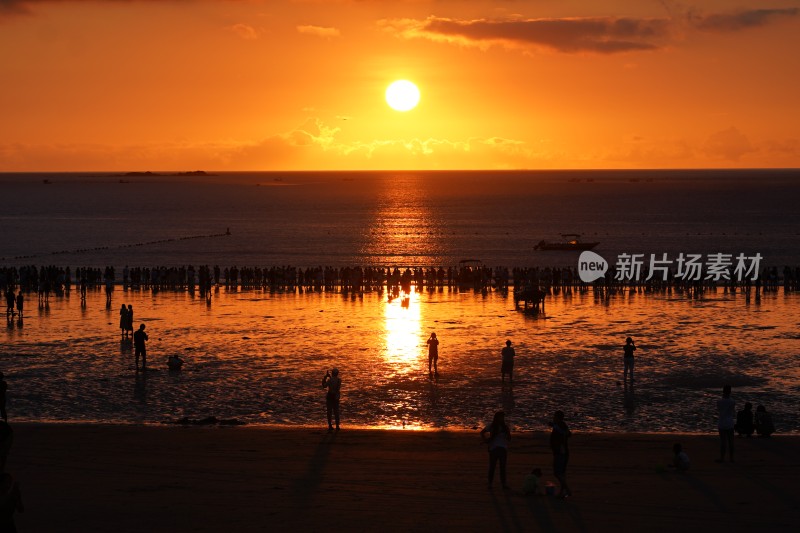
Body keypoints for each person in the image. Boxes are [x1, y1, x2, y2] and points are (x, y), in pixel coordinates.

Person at [480, 411, 511, 489]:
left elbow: (509, 438)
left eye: (503, 417)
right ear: (496, 417)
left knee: (502, 467)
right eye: (500, 416)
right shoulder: (492, 425)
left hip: (503, 448)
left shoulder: (505, 427)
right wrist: (486, 440)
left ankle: (503, 484)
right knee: (492, 466)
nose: (502, 418)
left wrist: (508, 433)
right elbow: (482, 432)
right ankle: (490, 484)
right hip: (494, 448)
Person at [550, 410, 572, 498]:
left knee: (557, 473)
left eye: (555, 417)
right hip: (561, 452)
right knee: (561, 473)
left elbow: (567, 434)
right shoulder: (560, 425)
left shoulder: (560, 425)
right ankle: (563, 492)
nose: (553, 418)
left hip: (561, 453)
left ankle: (567, 490)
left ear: (558, 418)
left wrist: (554, 426)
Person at [716, 384, 735, 463]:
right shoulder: (732, 401)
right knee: (731, 441)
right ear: (730, 392)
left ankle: (722, 458)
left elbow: (719, 409)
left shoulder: (719, 401)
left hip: (722, 422)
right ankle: (731, 458)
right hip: (730, 422)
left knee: (723, 442)